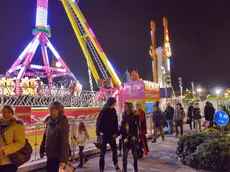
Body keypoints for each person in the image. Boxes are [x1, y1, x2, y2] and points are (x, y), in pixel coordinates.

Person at [40, 102, 70, 172]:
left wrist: (63, 160)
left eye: (53, 109)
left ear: (59, 110)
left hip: (58, 154)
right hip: (50, 153)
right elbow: (45, 136)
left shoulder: (63, 121)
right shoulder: (48, 120)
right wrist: (42, 149)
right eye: (49, 108)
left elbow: (64, 141)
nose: (50, 110)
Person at [96, 97, 120, 172]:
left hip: (112, 135)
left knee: (114, 151)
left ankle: (116, 165)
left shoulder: (114, 111)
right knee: (102, 153)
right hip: (104, 135)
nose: (115, 104)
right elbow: (98, 122)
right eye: (114, 103)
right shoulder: (103, 111)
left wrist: (116, 133)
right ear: (111, 103)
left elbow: (115, 122)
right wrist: (98, 134)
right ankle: (101, 168)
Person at [0, 105, 26, 172]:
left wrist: (4, 151)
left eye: (8, 112)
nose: (6, 114)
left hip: (10, 160)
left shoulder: (17, 126)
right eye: (4, 112)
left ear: (12, 113)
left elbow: (20, 143)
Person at [120, 102, 139, 172]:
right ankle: (124, 169)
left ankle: (135, 169)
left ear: (129, 107)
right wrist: (116, 133)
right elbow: (123, 128)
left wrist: (128, 138)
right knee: (124, 156)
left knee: (134, 155)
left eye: (125, 106)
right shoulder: (123, 116)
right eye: (124, 106)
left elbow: (134, 130)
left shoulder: (135, 116)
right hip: (125, 139)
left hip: (132, 139)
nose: (124, 107)